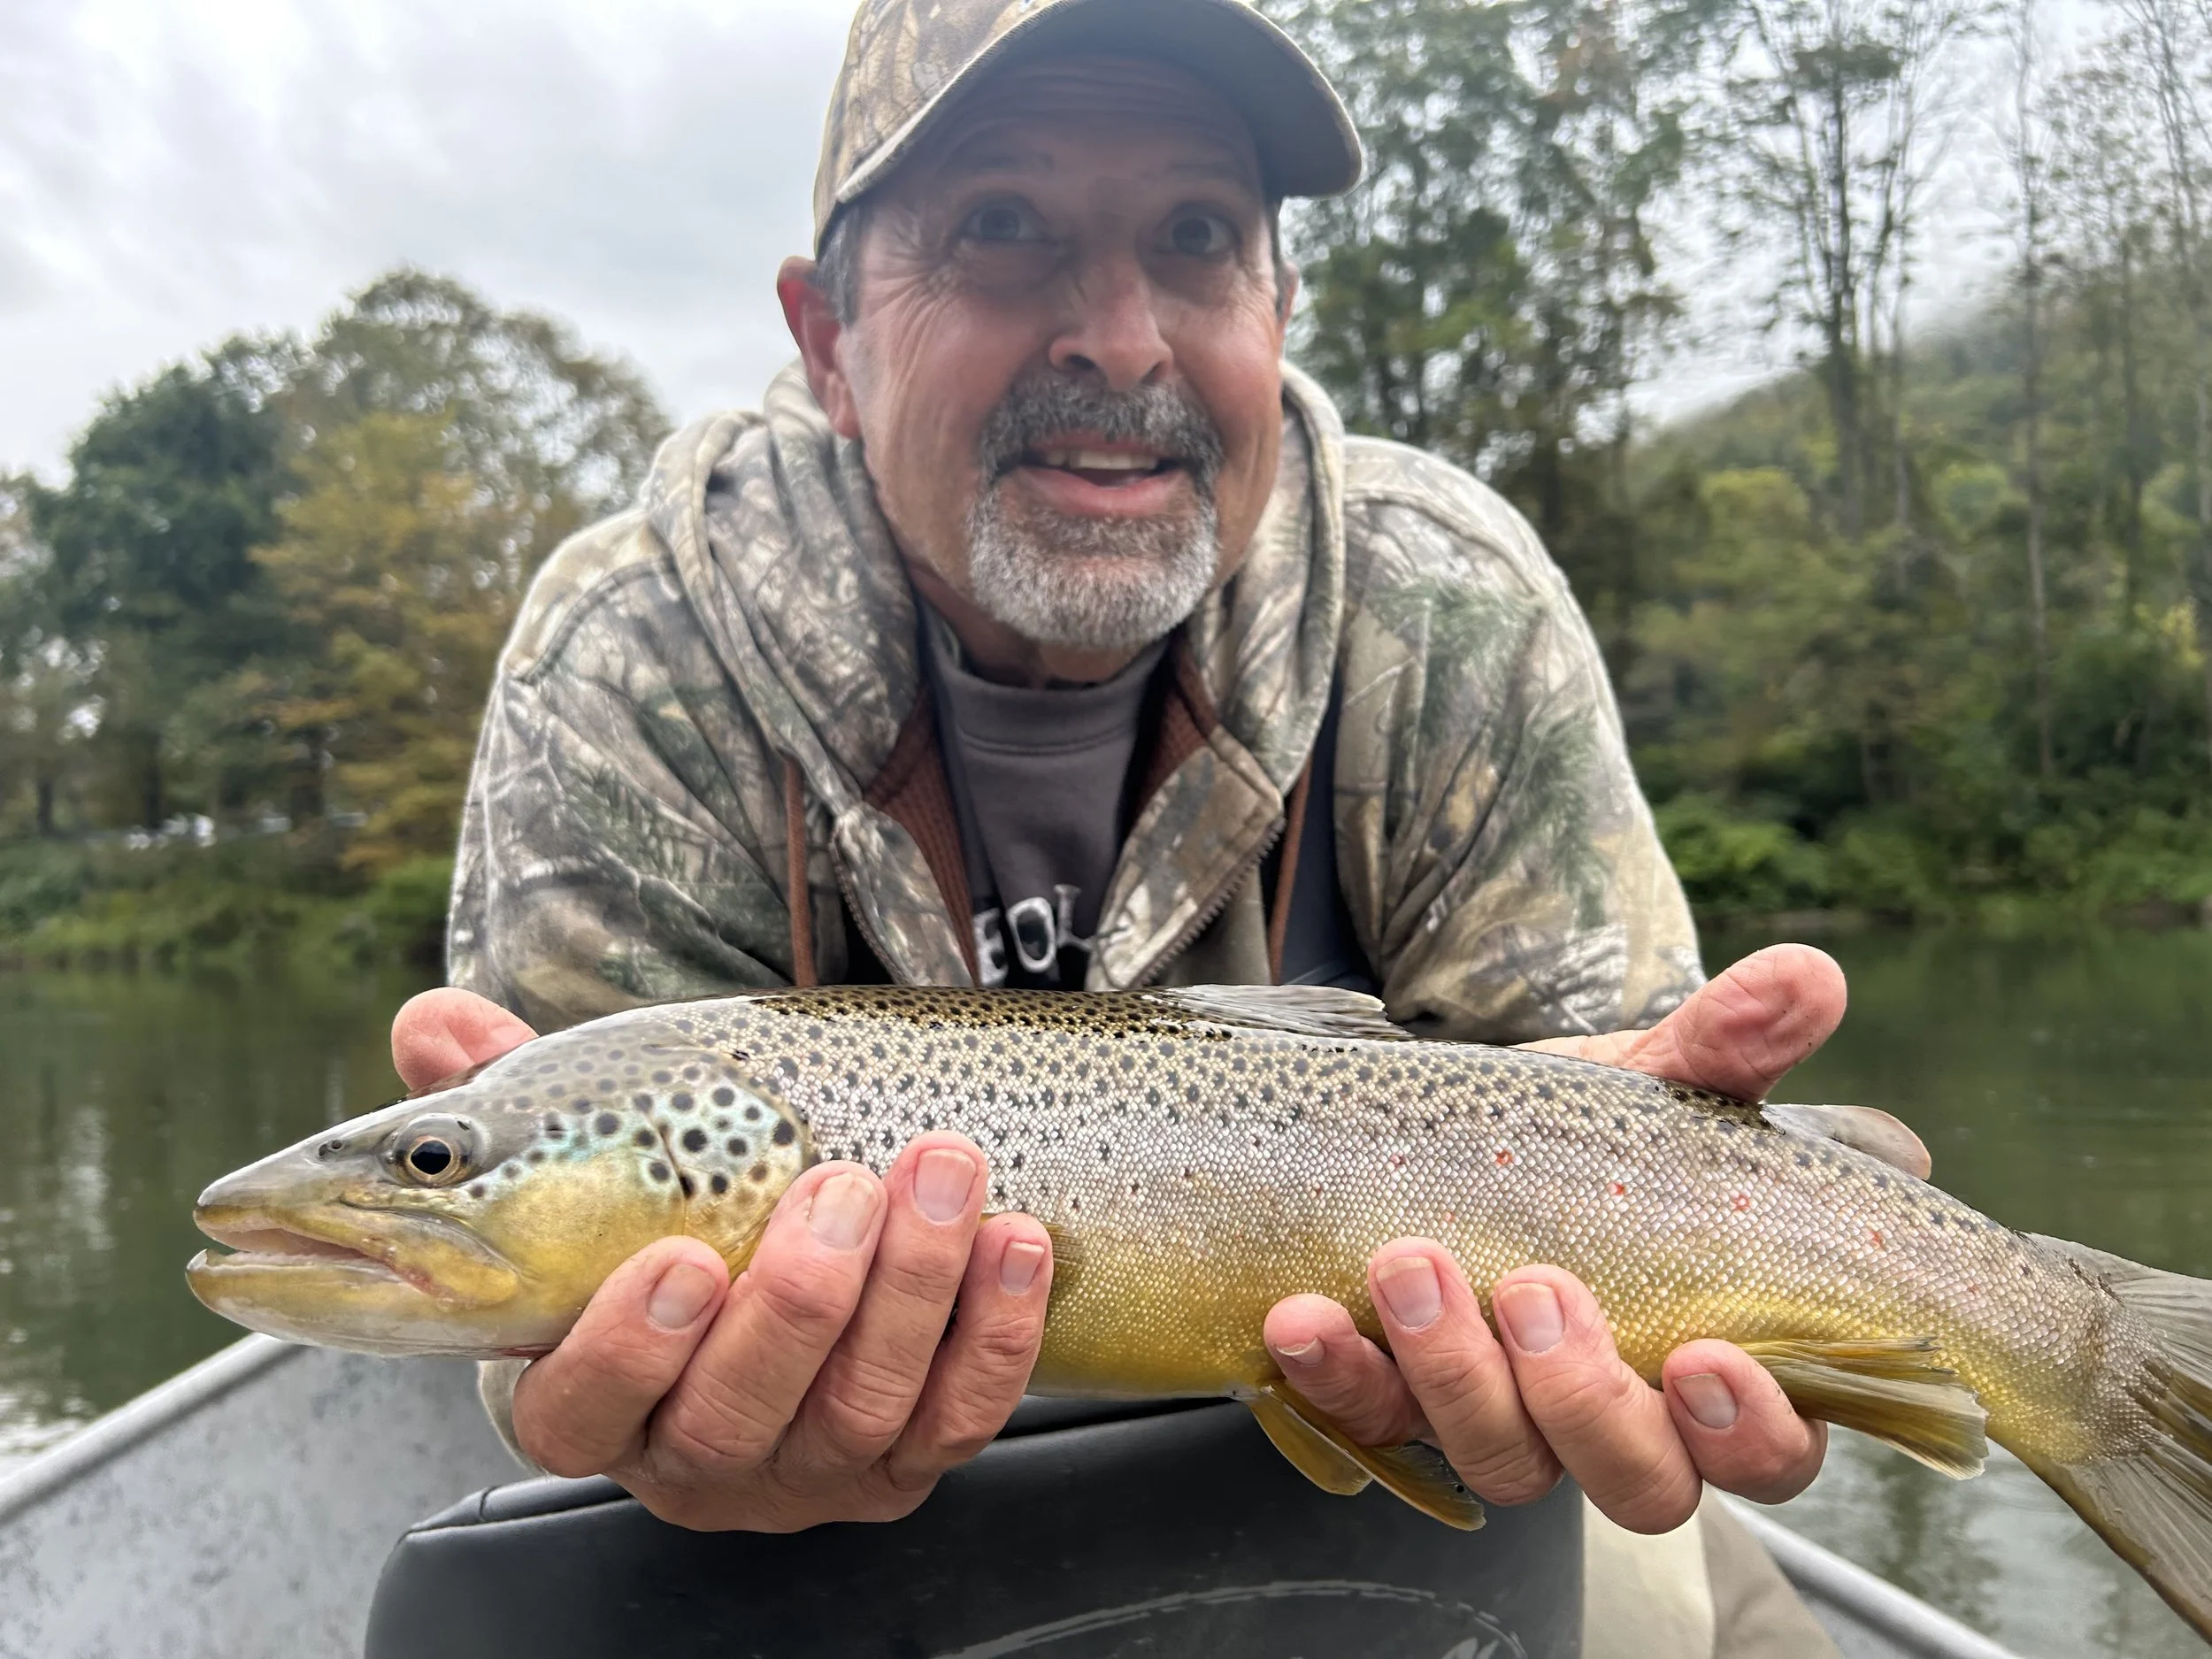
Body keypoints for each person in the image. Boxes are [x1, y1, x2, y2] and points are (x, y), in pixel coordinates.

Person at [388, 0, 1848, 1650]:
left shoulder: (1451, 605)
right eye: (1002, 228)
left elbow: (1620, 1108)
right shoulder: (638, 657)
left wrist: (1623, 1270)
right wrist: (615, 1400)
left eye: (1196, 236)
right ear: (825, 345)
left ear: (1280, 305)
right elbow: (557, 1331)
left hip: (1424, 1480)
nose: (1123, 334)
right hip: (867, 1552)